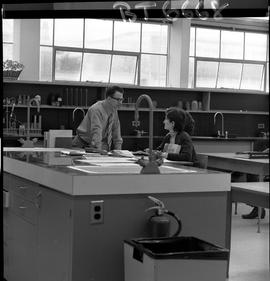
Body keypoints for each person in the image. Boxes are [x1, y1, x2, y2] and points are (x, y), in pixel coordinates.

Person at [72, 85, 124, 151]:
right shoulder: (96, 110)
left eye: (121, 99)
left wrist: (119, 152)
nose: (120, 103)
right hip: (82, 145)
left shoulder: (114, 110)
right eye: (118, 100)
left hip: (98, 144)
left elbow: (117, 133)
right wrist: (99, 152)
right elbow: (96, 132)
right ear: (109, 99)